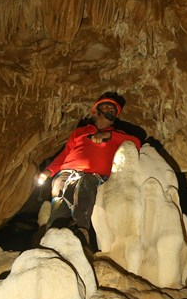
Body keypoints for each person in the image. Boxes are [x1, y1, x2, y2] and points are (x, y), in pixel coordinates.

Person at [35, 92, 141, 245]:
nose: (110, 110)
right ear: (96, 111)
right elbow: (65, 153)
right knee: (59, 194)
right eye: (106, 107)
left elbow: (135, 143)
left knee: (86, 183)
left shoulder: (118, 134)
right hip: (68, 172)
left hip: (96, 175)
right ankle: (52, 237)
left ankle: (81, 230)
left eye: (113, 109)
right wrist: (48, 172)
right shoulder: (79, 132)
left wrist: (109, 136)